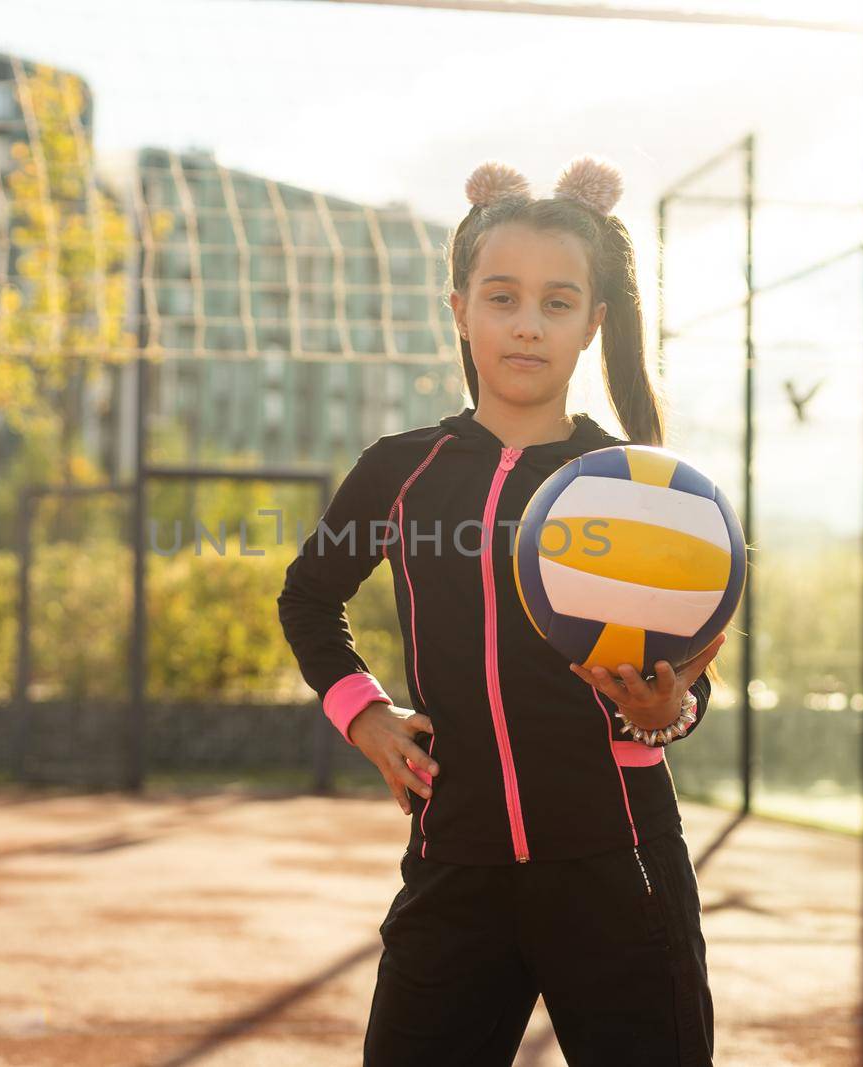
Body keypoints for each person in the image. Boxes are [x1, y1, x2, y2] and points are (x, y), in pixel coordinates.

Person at [277, 155, 729, 1066]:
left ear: (594, 323)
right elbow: (309, 597)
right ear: (460, 308)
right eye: (502, 298)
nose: (527, 326)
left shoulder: (636, 484)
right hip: (457, 868)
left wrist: (664, 710)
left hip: (621, 866)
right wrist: (363, 714)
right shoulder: (400, 470)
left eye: (558, 303)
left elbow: (686, 677)